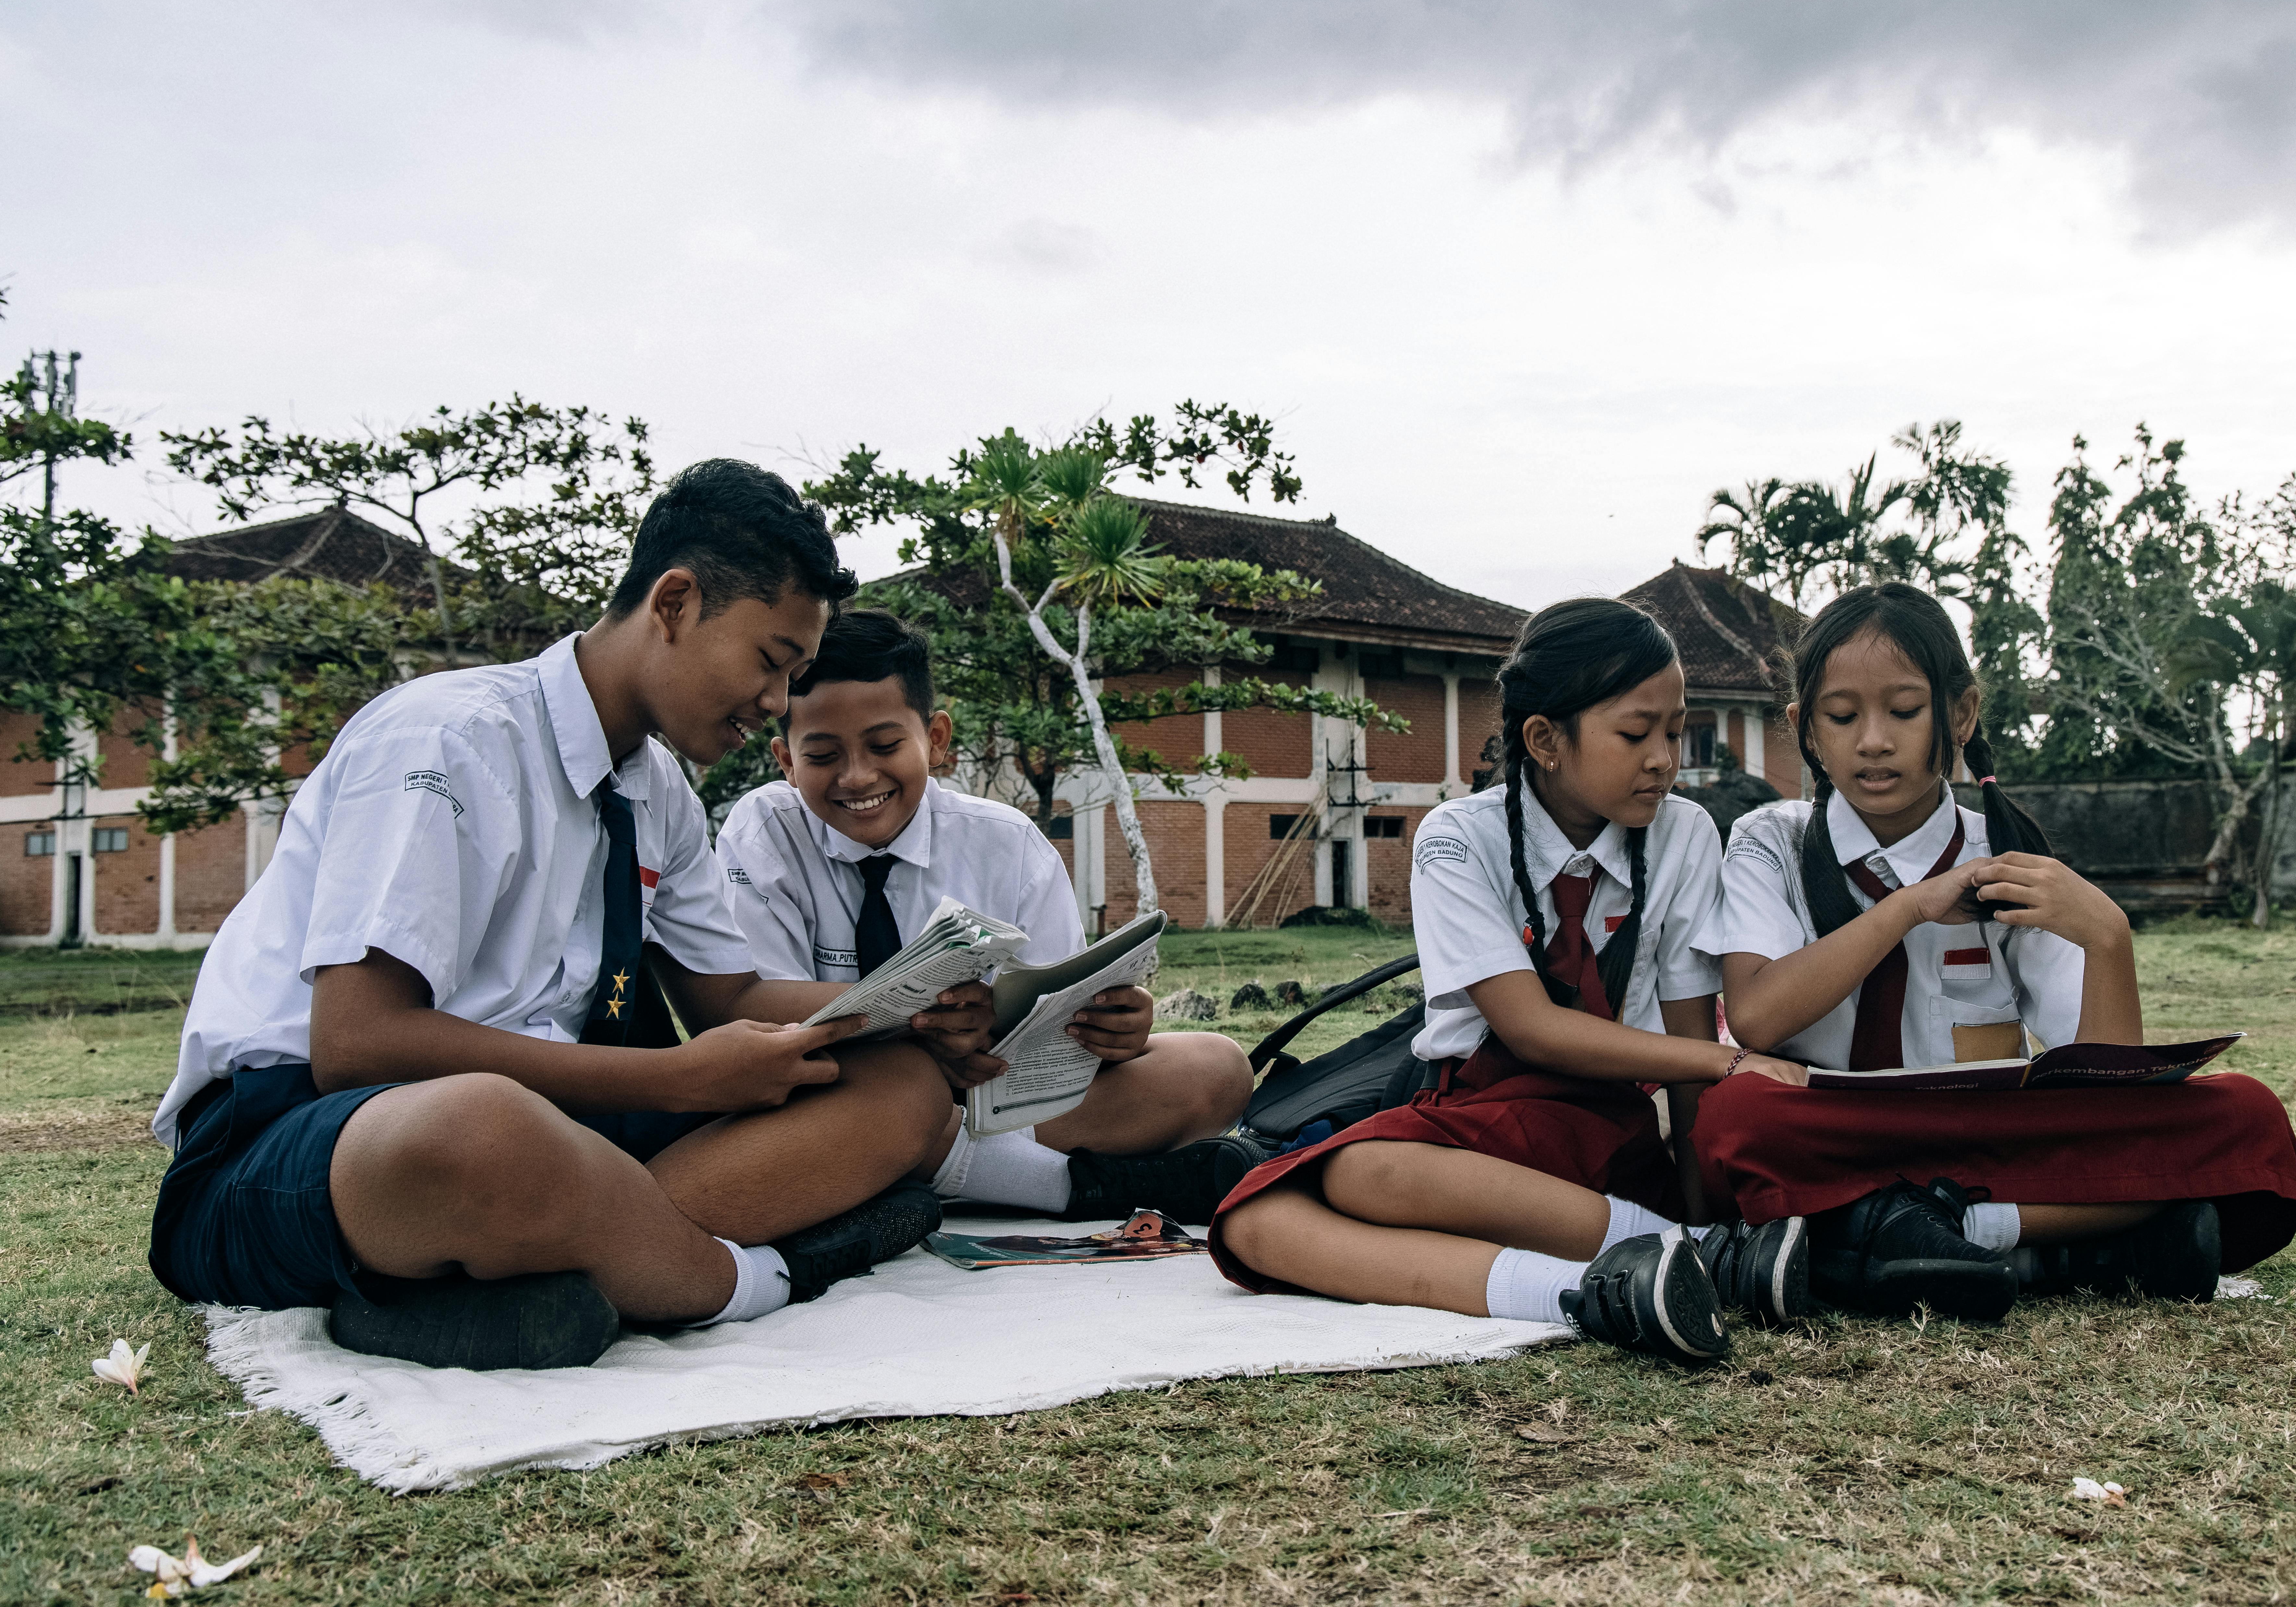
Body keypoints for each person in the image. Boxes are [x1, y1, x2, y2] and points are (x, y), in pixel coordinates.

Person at [147, 460, 962, 1372]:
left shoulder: (658, 792)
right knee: (485, 1131)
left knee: (902, 1085)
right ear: (676, 603)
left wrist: (905, 1008)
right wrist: (676, 1082)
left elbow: (730, 993)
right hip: (304, 1133)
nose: (777, 703)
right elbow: (358, 1044)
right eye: (772, 662)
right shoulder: (448, 739)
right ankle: (742, 1275)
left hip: (558, 1127)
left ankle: (535, 1266)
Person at [1211, 598, 1814, 1364]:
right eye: (1637, 733)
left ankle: (1692, 1244)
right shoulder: (1458, 837)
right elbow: (1530, 1027)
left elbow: (1690, 1035)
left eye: (1675, 730)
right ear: (1544, 740)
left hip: (1599, 1131)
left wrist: (1707, 1197)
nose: (1664, 757)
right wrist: (1729, 1062)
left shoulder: (1684, 834)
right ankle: (1607, 1290)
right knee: (1250, 1226)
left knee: (1362, 1173)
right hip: (1473, 1117)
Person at [1694, 583, 2296, 1321]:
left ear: (1960, 713)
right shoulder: (1771, 840)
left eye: (1906, 711)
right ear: (1806, 729)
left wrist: (2110, 940)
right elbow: (1757, 1017)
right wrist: (1910, 907)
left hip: (1986, 1137)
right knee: (1738, 1114)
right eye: (1843, 716)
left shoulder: (2008, 860)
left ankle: (1927, 1234)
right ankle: (2079, 1247)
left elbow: (2106, 1094)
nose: (1875, 741)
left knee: (2247, 1116)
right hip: (1836, 1131)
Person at [715, 608, 1260, 1224]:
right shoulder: (764, 832)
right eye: (821, 756)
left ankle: (917, 1171)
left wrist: (1112, 1034)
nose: (858, 776)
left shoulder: (1009, 842)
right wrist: (918, 1031)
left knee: (1215, 1069)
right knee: (886, 1099)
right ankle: (1067, 1186)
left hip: (994, 1097)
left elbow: (1058, 1009)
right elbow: (764, 1015)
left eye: (886, 745)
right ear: (786, 762)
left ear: (937, 740)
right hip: (848, 1093)